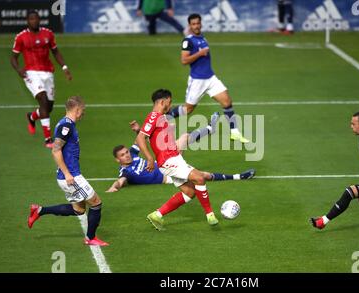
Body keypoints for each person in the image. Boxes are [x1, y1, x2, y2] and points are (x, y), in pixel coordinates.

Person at [27, 96, 108, 246]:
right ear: (77, 110)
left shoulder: (67, 124)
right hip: (71, 176)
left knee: (78, 210)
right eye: (82, 110)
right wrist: (67, 173)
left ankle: (39, 210)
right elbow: (55, 150)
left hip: (69, 174)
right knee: (96, 203)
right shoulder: (67, 126)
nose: (83, 114)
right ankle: (91, 238)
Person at [137, 89, 223, 231]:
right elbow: (140, 138)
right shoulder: (154, 116)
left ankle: (157, 215)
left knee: (190, 192)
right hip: (169, 160)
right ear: (162, 102)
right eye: (169, 103)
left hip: (173, 158)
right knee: (200, 178)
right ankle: (210, 215)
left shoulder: (161, 117)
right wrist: (150, 158)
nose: (170, 106)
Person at [106, 118, 255, 192]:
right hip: (169, 175)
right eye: (123, 155)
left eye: (126, 152)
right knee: (203, 176)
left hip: (167, 162)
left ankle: (210, 128)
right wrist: (113, 188)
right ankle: (238, 176)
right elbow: (121, 181)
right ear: (117, 160)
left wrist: (137, 130)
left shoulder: (133, 154)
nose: (127, 155)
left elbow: (140, 140)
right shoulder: (126, 171)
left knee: (183, 138)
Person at [168, 13, 250, 143]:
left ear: (201, 24)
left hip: (210, 78)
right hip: (197, 80)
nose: (196, 26)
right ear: (189, 26)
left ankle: (235, 133)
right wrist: (200, 53)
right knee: (188, 109)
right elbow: (184, 60)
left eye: (198, 23)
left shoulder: (202, 38)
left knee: (227, 102)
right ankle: (166, 117)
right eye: (193, 24)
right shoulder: (187, 41)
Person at [11, 10, 72, 148]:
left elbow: (55, 51)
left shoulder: (48, 34)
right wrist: (19, 69)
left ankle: (32, 117)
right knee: (43, 99)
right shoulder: (21, 37)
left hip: (47, 73)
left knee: (48, 107)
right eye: (31, 19)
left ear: (39, 20)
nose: (34, 21)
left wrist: (64, 67)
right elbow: (13, 57)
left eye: (36, 19)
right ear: (27, 21)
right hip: (31, 73)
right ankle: (48, 140)